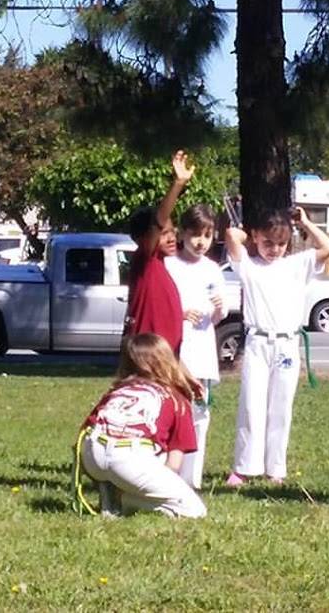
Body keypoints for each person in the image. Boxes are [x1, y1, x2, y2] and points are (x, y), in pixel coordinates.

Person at [224, 207, 329, 487]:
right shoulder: (248, 266)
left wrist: (305, 222)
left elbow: (327, 247)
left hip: (286, 343)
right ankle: (245, 466)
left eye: (281, 244)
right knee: (252, 404)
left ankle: (275, 467)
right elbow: (230, 234)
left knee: (281, 406)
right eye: (267, 242)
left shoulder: (297, 264)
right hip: (258, 342)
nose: (274, 249)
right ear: (257, 237)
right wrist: (249, 234)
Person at [77, 333, 207, 518]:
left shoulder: (117, 391)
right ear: (167, 361)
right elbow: (174, 462)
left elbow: (84, 432)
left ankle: (109, 487)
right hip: (128, 457)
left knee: (142, 454)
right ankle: (124, 499)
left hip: (92, 453)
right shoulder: (177, 398)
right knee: (195, 511)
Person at [165, 204, 227, 489]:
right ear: (182, 233)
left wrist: (218, 308)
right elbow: (161, 307)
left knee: (200, 414)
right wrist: (179, 313)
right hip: (175, 351)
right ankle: (167, 473)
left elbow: (219, 314)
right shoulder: (169, 265)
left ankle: (192, 478)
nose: (201, 242)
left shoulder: (213, 269)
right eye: (195, 235)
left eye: (207, 235)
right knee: (173, 409)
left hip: (202, 351)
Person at [124, 150, 194, 353]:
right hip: (148, 360)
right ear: (144, 238)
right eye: (164, 234)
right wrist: (178, 184)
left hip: (166, 360)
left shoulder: (161, 267)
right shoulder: (145, 260)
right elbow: (157, 222)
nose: (172, 238)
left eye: (173, 232)